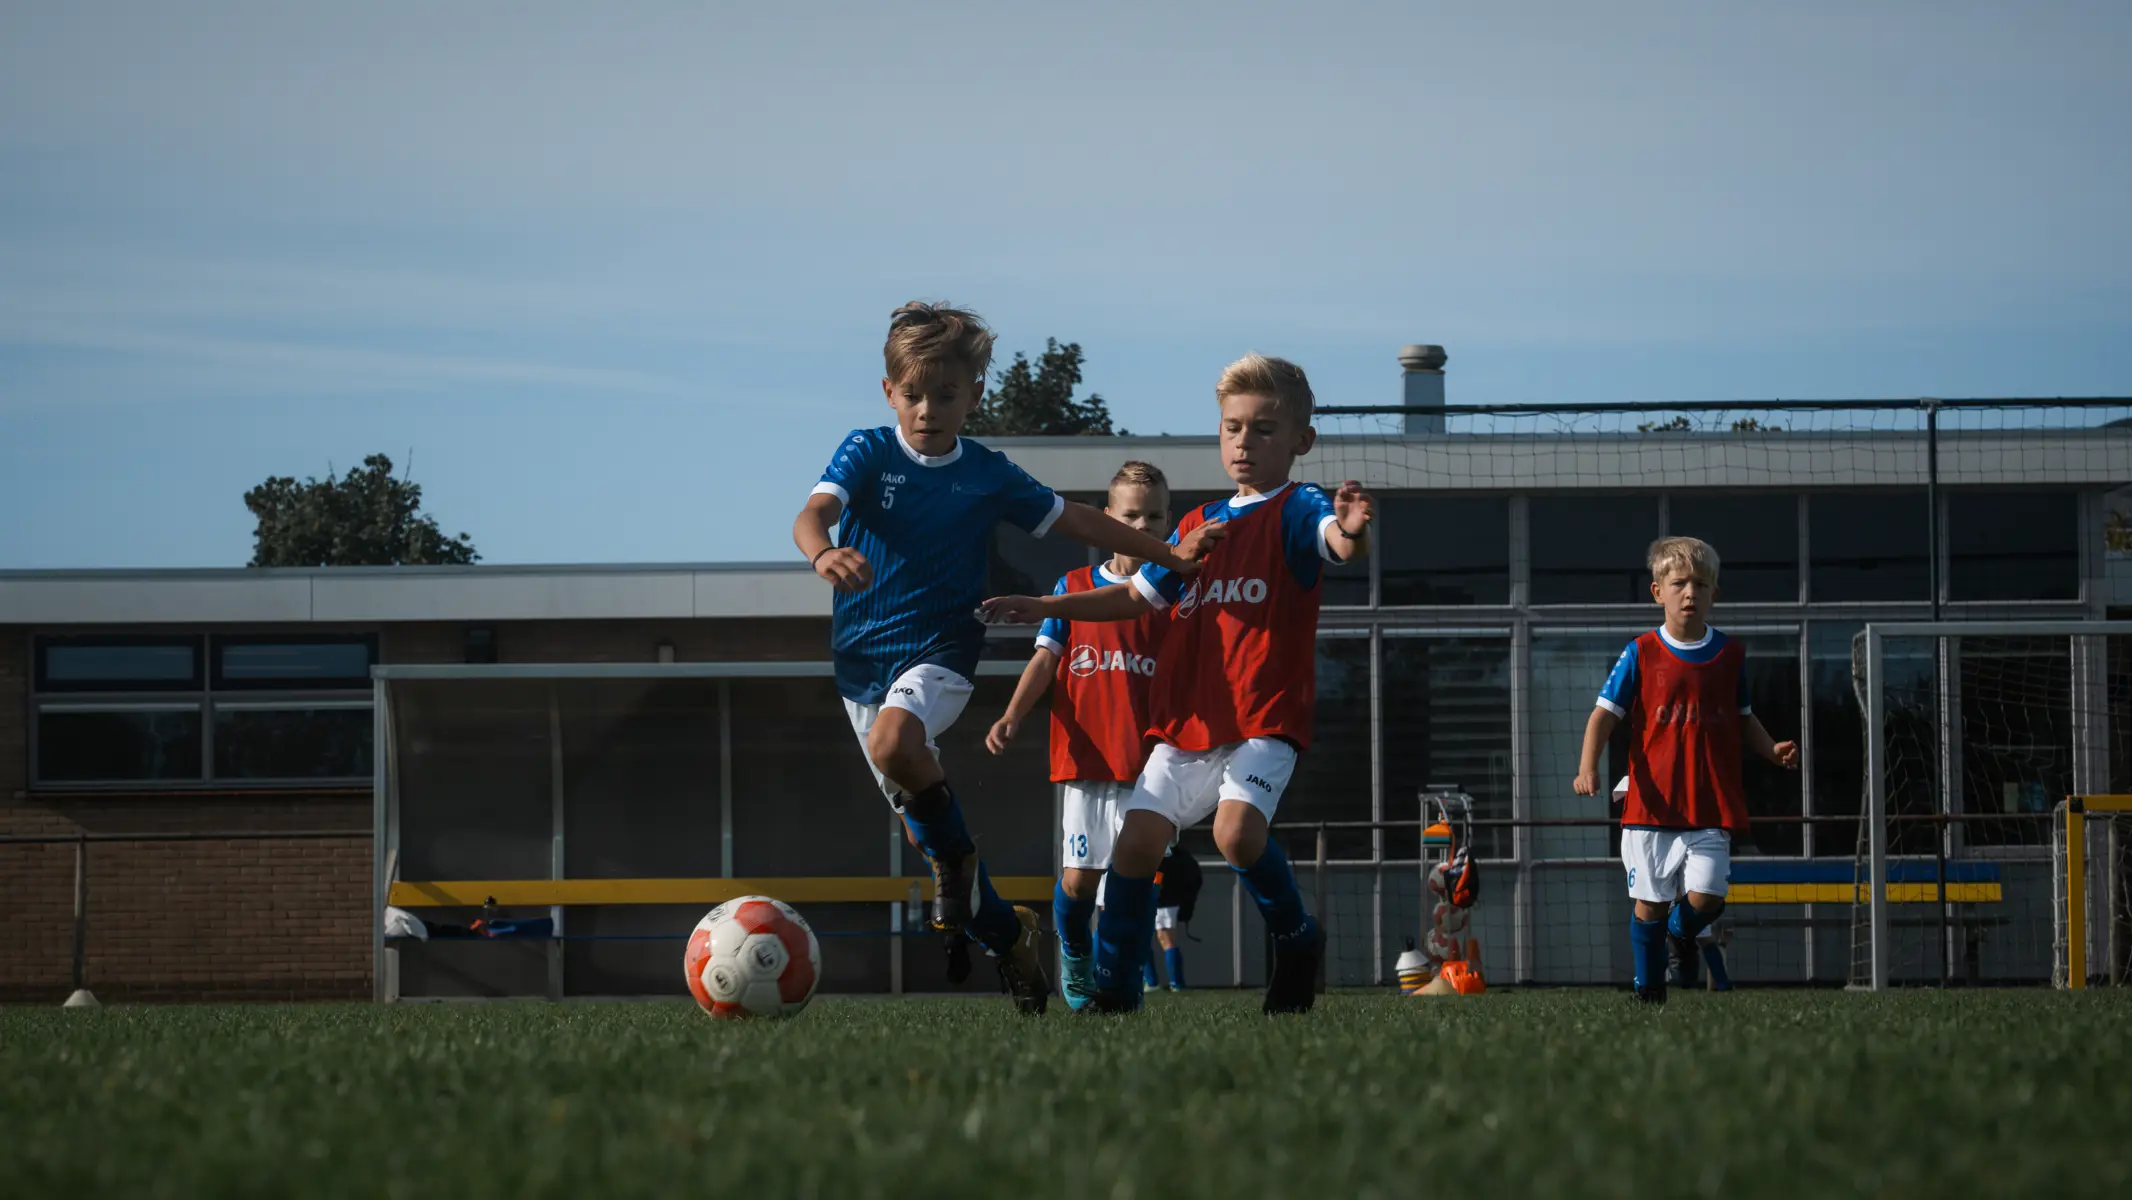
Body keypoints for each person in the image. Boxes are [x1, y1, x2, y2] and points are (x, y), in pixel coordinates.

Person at [792, 301, 1223, 1015]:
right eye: (913, 394)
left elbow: (1078, 519)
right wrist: (822, 552)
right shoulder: (867, 451)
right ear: (888, 392)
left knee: (895, 744)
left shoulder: (987, 474)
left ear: (974, 395)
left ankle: (957, 863)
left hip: (941, 650)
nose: (928, 409)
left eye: (946, 394)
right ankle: (1008, 936)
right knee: (933, 838)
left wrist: (1168, 553)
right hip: (860, 666)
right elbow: (812, 514)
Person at [982, 353, 1374, 1014]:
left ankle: (1297, 939)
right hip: (1189, 723)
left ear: (1301, 441)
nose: (1245, 442)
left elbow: (1334, 540)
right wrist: (1045, 606)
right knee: (1134, 849)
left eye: (1264, 429)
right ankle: (1116, 992)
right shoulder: (1196, 526)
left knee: (1234, 835)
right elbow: (1133, 596)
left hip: (1262, 717)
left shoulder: (1298, 506)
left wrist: (1352, 534)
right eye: (1233, 428)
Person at [1573, 536, 1800, 1003]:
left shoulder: (1729, 655)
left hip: (1709, 804)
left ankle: (1681, 935)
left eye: (1700, 583)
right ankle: (1649, 992)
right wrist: (1587, 767)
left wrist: (1772, 750)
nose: (1690, 592)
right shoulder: (1640, 652)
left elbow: (1743, 719)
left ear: (1715, 592)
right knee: (1650, 905)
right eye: (1679, 583)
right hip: (1651, 805)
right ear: (1658, 592)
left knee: (1708, 897)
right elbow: (1602, 716)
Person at [985, 461, 1173, 1010]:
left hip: (1152, 764)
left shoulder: (1176, 591)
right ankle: (1073, 951)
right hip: (1086, 758)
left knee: (1133, 886)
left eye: (1154, 516)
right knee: (1078, 885)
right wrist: (1012, 715)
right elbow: (1046, 658)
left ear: (1169, 521)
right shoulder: (1073, 588)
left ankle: (1121, 984)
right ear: (1108, 519)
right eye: (1130, 516)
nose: (1142, 526)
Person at [1150, 845, 1203, 991]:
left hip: (1163, 903)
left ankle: (1174, 983)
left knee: (1166, 940)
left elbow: (1158, 876)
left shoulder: (1164, 854)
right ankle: (1155, 981)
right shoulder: (1179, 853)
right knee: (1161, 940)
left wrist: (1154, 893)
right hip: (1169, 901)